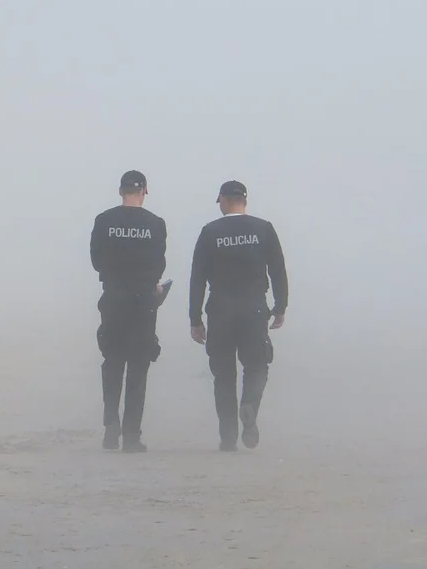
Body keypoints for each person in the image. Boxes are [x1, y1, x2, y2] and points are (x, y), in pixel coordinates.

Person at [189, 180, 288, 452]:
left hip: (220, 309)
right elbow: (277, 270)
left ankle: (228, 437)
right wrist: (280, 307)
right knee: (257, 366)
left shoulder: (210, 232)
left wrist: (195, 319)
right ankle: (250, 405)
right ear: (245, 200)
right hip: (254, 308)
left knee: (223, 375)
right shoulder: (263, 229)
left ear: (223, 199)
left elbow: (198, 278)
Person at [90, 170, 167, 453]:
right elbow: (159, 263)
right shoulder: (155, 224)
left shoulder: (104, 221)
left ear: (120, 190)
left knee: (112, 361)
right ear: (144, 191)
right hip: (143, 302)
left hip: (113, 298)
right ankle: (132, 435)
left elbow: (96, 260)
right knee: (138, 366)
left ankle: (111, 425)